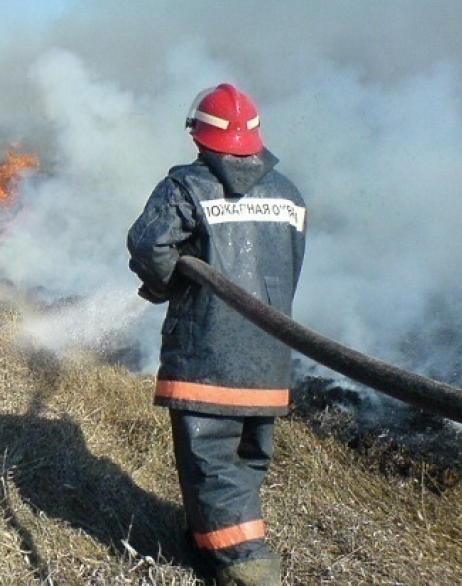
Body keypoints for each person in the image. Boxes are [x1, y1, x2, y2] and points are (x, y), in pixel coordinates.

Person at [127, 83, 307, 585]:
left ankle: (247, 569)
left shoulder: (185, 187)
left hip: (207, 355)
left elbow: (149, 245)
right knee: (246, 463)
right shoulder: (289, 194)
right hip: (270, 356)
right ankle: (207, 546)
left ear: (199, 135)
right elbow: (289, 265)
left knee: (212, 465)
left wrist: (168, 286)